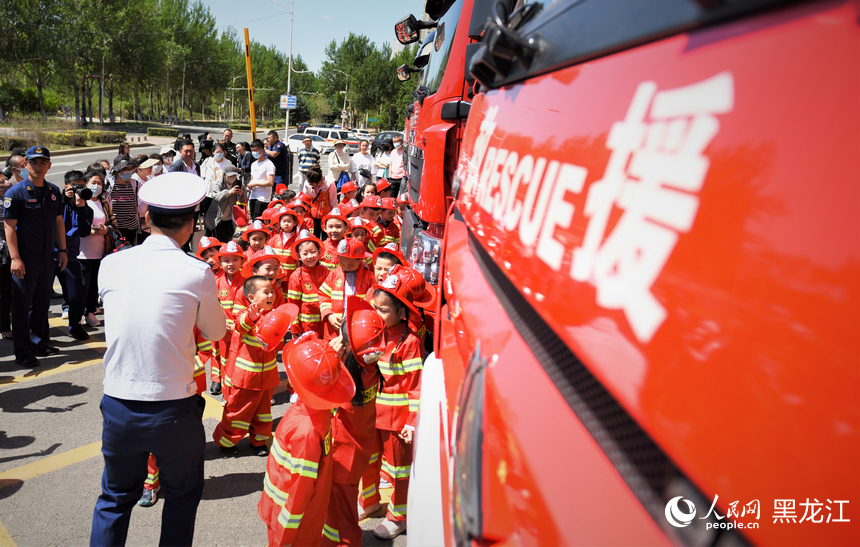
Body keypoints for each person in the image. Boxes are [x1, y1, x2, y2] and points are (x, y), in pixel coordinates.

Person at [90, 172, 226, 546]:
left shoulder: (111, 265)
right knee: (181, 497)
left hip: (118, 403)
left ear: (147, 218)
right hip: (173, 408)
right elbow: (216, 332)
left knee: (114, 498)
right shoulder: (197, 271)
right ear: (192, 224)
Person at [258, 332, 356, 546]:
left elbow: (299, 494)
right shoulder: (317, 419)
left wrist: (284, 536)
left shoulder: (305, 427)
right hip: (301, 520)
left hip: (291, 522)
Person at [361, 269, 425, 539]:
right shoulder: (372, 334)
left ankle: (399, 516)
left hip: (397, 419)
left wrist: (412, 422)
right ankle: (369, 502)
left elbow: (416, 385)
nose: (377, 314)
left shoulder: (409, 342)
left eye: (384, 310)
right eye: (375, 307)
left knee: (399, 470)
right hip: (371, 413)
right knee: (368, 461)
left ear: (402, 313)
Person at [322, 296, 386, 546]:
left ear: (346, 346)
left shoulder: (343, 377)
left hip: (342, 459)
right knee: (343, 509)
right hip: (360, 451)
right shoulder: (369, 370)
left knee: (342, 517)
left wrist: (331, 356)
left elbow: (314, 384)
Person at [213, 276, 296, 456]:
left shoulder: (275, 315)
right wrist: (250, 318)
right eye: (265, 292)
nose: (271, 295)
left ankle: (258, 441)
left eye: (272, 291)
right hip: (246, 377)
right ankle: (226, 441)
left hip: (267, 377)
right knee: (237, 411)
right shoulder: (246, 314)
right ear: (251, 298)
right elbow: (239, 326)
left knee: (263, 413)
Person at [3, 146, 67, 366]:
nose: (38, 167)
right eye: (33, 163)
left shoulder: (52, 190)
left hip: (48, 257)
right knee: (21, 305)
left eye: (42, 163)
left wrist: (64, 250)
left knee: (41, 303)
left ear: (49, 165)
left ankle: (38, 342)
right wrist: (15, 258)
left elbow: (59, 221)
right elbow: (9, 227)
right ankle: (22, 351)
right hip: (25, 258)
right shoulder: (16, 192)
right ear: (25, 165)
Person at [58, 171, 94, 341]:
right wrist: (64, 199)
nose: (79, 190)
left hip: (71, 255)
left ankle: (75, 326)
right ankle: (39, 332)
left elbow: (85, 232)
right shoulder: (58, 203)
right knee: (40, 297)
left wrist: (80, 208)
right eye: (76, 187)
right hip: (51, 254)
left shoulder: (85, 209)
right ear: (67, 187)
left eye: (82, 186)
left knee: (75, 296)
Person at [78, 170, 116, 328]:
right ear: (85, 184)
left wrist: (107, 229)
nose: (96, 186)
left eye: (99, 183)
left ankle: (90, 312)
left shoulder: (104, 202)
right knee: (82, 285)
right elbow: (75, 223)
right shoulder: (81, 202)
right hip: (82, 252)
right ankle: (78, 313)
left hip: (101, 250)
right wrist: (89, 230)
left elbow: (113, 222)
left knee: (94, 284)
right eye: (93, 183)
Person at [319, 239, 375, 341]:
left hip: (358, 324)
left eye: (351, 265)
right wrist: (328, 314)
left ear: (360, 260)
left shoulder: (369, 277)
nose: (346, 268)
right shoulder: (334, 274)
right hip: (335, 324)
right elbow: (323, 295)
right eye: (342, 264)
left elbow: (374, 300)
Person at [211, 240, 247, 396]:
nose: (231, 264)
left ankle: (238, 386)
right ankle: (221, 383)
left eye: (235, 259)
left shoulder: (247, 283)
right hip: (222, 329)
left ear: (242, 261)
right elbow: (210, 306)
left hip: (241, 330)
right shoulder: (216, 282)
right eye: (226, 260)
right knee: (221, 356)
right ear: (219, 263)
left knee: (240, 359)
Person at [287, 229, 328, 338]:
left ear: (319, 252)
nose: (310, 256)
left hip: (326, 324)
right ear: (299, 256)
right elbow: (292, 303)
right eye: (305, 253)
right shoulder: (296, 276)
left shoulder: (326, 272)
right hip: (306, 327)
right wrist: (294, 326)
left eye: (313, 251)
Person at [201, 142, 235, 236]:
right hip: (209, 193)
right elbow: (202, 177)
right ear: (213, 152)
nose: (219, 154)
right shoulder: (207, 162)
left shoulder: (228, 163)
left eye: (221, 151)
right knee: (208, 216)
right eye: (217, 151)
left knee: (220, 216)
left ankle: (218, 236)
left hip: (222, 194)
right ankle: (208, 235)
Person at [205, 164, 243, 243]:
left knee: (228, 240)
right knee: (219, 240)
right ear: (224, 175)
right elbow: (217, 197)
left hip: (230, 218)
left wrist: (240, 194)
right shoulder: (218, 183)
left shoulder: (238, 183)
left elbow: (243, 199)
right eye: (230, 175)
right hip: (218, 218)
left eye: (234, 175)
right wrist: (229, 192)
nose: (233, 177)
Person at [109, 156, 141, 245]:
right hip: (115, 228)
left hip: (131, 227)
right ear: (117, 171)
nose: (128, 171)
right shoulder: (110, 184)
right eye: (125, 169)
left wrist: (138, 210)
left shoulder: (135, 184)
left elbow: (146, 198)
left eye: (130, 169)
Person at [302, 165, 336, 238]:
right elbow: (305, 200)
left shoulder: (329, 183)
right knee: (314, 237)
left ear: (319, 181)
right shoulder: (307, 184)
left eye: (312, 184)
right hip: (313, 215)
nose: (310, 185)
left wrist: (333, 216)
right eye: (309, 183)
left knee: (326, 237)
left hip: (326, 216)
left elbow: (333, 201)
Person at [0, 168, 14, 337]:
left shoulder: (11, 199)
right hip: (3, 251)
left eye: (6, 180)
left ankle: (5, 325)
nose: (6, 183)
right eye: (1, 182)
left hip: (10, 252)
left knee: (6, 292)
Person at [248, 139, 275, 219]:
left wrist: (255, 184)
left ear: (262, 150)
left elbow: (270, 182)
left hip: (263, 198)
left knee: (259, 221)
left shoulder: (269, 164)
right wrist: (249, 185)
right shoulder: (254, 164)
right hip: (253, 196)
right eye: (252, 150)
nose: (253, 153)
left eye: (255, 150)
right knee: (253, 220)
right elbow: (252, 179)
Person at [320, 207, 351, 271]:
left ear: (346, 228)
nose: (334, 230)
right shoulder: (321, 246)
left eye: (338, 226)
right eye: (330, 227)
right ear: (325, 228)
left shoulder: (350, 246)